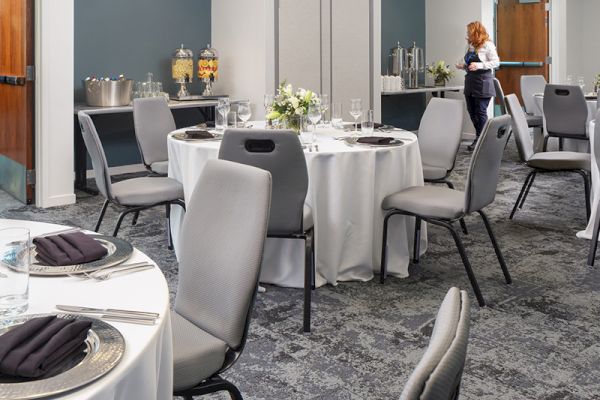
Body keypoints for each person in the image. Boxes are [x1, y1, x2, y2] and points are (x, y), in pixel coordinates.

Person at [456, 21, 500, 151]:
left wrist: (479, 65)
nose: (467, 35)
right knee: (471, 111)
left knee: (480, 112)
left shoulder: (488, 45)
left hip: (483, 82)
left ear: (475, 32)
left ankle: (482, 139)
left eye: (469, 32)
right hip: (470, 82)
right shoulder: (469, 46)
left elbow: (496, 62)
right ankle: (481, 137)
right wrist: (463, 66)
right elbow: (470, 64)